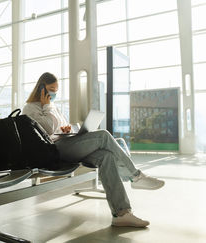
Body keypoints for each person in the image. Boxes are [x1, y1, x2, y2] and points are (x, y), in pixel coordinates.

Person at [22, 72, 165, 228]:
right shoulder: (30, 108)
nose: (54, 93)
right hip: (53, 151)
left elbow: (60, 126)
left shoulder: (53, 107)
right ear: (41, 88)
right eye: (51, 89)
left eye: (56, 90)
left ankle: (121, 214)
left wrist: (67, 128)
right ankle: (136, 177)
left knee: (106, 156)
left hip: (66, 145)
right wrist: (46, 107)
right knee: (103, 135)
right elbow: (47, 129)